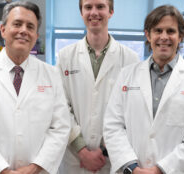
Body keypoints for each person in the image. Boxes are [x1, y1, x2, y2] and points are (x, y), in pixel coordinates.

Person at [0, 1, 70, 174]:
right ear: (3, 30)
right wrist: (1, 170)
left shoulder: (52, 75)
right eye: (17, 24)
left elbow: (61, 127)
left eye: (30, 26)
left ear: (35, 35)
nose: (23, 31)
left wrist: (35, 168)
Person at [103, 5, 184, 174]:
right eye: (158, 30)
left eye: (170, 31)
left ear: (181, 36)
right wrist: (131, 167)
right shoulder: (126, 75)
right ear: (148, 34)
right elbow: (112, 126)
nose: (164, 37)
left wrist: (161, 169)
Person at [57, 0, 138, 173]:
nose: (94, 12)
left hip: (110, 159)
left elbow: (130, 111)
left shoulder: (130, 59)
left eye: (100, 6)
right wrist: (82, 151)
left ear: (111, 12)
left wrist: (103, 150)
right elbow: (60, 107)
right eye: (88, 7)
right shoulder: (65, 57)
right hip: (74, 159)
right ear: (81, 12)